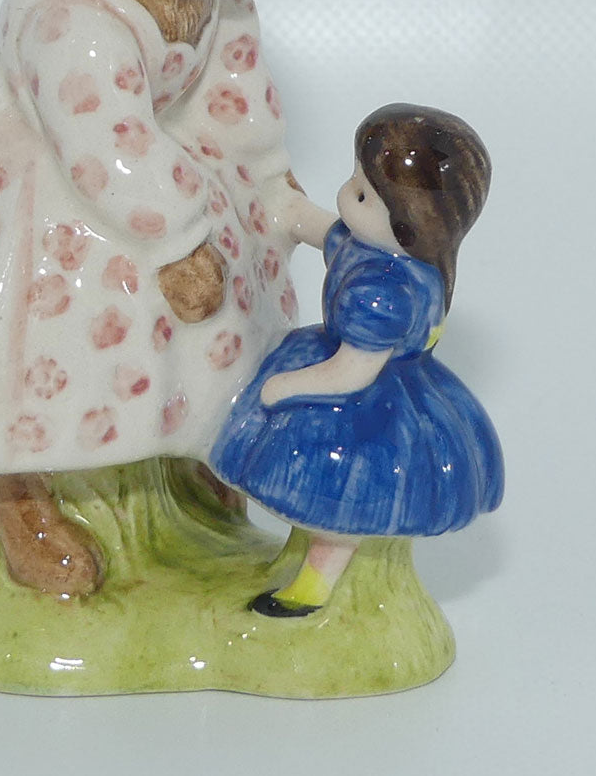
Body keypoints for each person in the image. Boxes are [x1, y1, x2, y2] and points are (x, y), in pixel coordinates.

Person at [209, 103, 504, 617]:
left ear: (409, 227)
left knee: (338, 502)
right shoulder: (369, 245)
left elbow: (351, 372)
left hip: (368, 404)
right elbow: (316, 226)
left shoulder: (382, 293)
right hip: (349, 366)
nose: (347, 195)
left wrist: (286, 387)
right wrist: (280, 204)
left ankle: (314, 587)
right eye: (355, 179)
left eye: (364, 194)